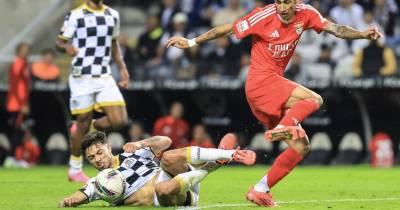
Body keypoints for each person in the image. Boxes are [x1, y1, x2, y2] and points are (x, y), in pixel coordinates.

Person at [166, 0, 382, 206]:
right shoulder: (263, 15)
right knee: (314, 99)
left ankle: (261, 189)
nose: (282, 7)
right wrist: (191, 41)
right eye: (278, 2)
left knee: (301, 147)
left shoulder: (306, 13)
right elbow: (227, 29)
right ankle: (283, 127)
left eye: (287, 2)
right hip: (260, 82)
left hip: (270, 88)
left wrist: (362, 34)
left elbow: (336, 29)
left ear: (295, 2)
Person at [59, 132, 256, 207]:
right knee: (161, 189)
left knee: (168, 156)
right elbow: (82, 194)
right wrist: (69, 200)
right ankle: (213, 164)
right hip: (177, 200)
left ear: (108, 148)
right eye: (92, 158)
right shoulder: (101, 184)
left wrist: (140, 142)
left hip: (180, 179)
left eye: (100, 153)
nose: (97, 160)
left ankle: (226, 155)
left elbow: (166, 141)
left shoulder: (133, 152)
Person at [56, 0, 130, 183]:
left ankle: (92, 125)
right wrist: (67, 47)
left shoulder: (112, 15)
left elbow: (113, 44)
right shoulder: (76, 15)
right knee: (81, 123)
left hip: (103, 76)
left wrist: (122, 68)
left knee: (120, 120)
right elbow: (59, 42)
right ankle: (74, 168)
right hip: (82, 76)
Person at [6, 42, 31, 156]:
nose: (25, 52)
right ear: (18, 51)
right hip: (16, 104)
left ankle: (15, 157)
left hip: (20, 103)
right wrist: (22, 104)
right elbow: (15, 85)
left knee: (20, 131)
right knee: (17, 131)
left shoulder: (24, 64)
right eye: (23, 50)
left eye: (27, 50)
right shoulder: (18, 63)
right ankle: (11, 157)